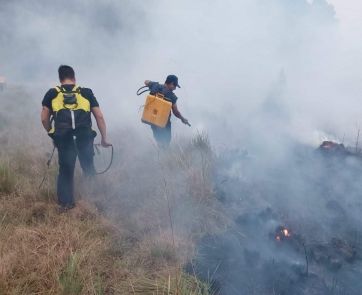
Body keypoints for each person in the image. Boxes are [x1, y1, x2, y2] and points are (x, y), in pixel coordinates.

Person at [41, 65, 111, 211]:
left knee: (66, 170)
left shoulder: (52, 93)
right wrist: (104, 138)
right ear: (74, 77)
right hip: (84, 137)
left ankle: (66, 205)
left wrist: (52, 132)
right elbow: (99, 116)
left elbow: (44, 118)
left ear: (60, 79)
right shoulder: (86, 92)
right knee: (88, 167)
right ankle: (94, 198)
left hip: (64, 138)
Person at [144, 75, 189, 147]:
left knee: (158, 139)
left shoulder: (155, 85)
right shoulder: (172, 96)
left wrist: (152, 85)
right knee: (166, 142)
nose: (175, 89)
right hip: (164, 124)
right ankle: (163, 155)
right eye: (175, 86)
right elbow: (176, 112)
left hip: (152, 121)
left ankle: (159, 153)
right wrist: (182, 119)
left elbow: (146, 81)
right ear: (171, 83)